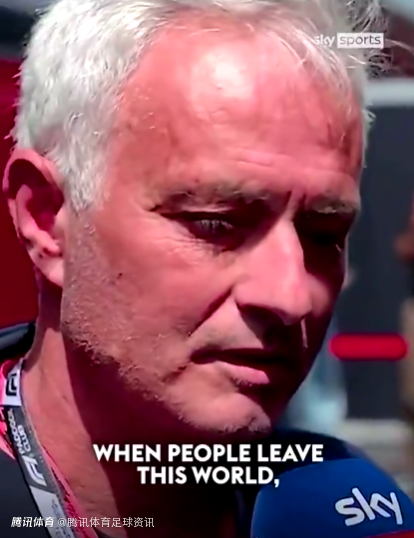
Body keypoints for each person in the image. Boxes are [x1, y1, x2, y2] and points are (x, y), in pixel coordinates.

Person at [0, 0, 381, 536]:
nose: (290, 296)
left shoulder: (348, 510)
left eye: (323, 235)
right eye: (215, 223)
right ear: (47, 220)